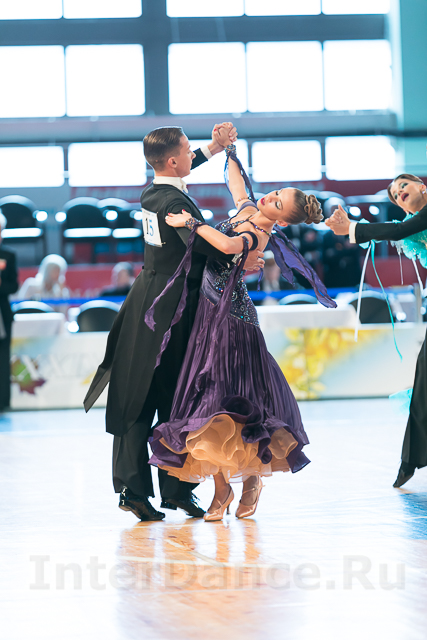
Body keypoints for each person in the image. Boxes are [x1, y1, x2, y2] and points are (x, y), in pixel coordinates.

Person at [84, 124, 265, 522]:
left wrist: (214, 148)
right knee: (151, 397)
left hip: (159, 303)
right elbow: (204, 248)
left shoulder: (157, 191)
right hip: (165, 312)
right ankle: (144, 490)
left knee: (169, 397)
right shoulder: (171, 204)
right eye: (187, 150)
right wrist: (244, 253)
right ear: (171, 160)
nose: (191, 154)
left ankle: (169, 489)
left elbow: (183, 171)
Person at [147, 145, 336, 521]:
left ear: (281, 220)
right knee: (208, 405)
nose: (270, 198)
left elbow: (228, 245)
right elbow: (237, 185)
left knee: (231, 404)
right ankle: (224, 488)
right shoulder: (249, 210)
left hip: (234, 323)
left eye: (278, 203)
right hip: (209, 317)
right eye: (276, 193)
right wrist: (229, 152)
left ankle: (249, 480)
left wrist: (192, 223)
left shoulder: (258, 233)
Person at [325, 173, 427, 488]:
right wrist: (347, 228)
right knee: (423, 380)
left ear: (423, 187)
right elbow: (396, 231)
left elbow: (397, 230)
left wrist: (352, 228)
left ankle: (410, 459)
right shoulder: (414, 222)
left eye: (404, 186)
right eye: (395, 194)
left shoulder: (420, 219)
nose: (399, 192)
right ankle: (411, 459)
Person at [0, 212, 19, 411]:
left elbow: (14, 286)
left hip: (2, 312)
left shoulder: (8, 255)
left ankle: (4, 401)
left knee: (3, 357)